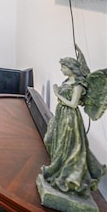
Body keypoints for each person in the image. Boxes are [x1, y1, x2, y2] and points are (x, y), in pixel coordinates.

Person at [41, 46, 107, 198]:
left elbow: (73, 104)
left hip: (70, 119)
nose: (62, 69)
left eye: (64, 67)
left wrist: (57, 93)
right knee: (51, 140)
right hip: (60, 116)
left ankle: (68, 179)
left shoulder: (78, 85)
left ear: (71, 68)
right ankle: (57, 170)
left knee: (68, 149)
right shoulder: (68, 81)